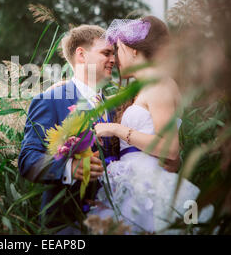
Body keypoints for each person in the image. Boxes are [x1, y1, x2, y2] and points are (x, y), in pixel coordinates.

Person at [89, 16, 213, 234]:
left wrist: (115, 129)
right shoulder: (146, 87)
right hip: (136, 182)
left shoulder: (159, 83)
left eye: (118, 49)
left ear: (134, 50)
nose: (116, 58)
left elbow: (170, 148)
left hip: (148, 185)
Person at [18, 24, 118, 233]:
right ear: (81, 55)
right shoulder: (50, 100)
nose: (113, 60)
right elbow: (27, 160)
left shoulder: (114, 107)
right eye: (106, 53)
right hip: (68, 224)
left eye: (114, 54)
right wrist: (69, 168)